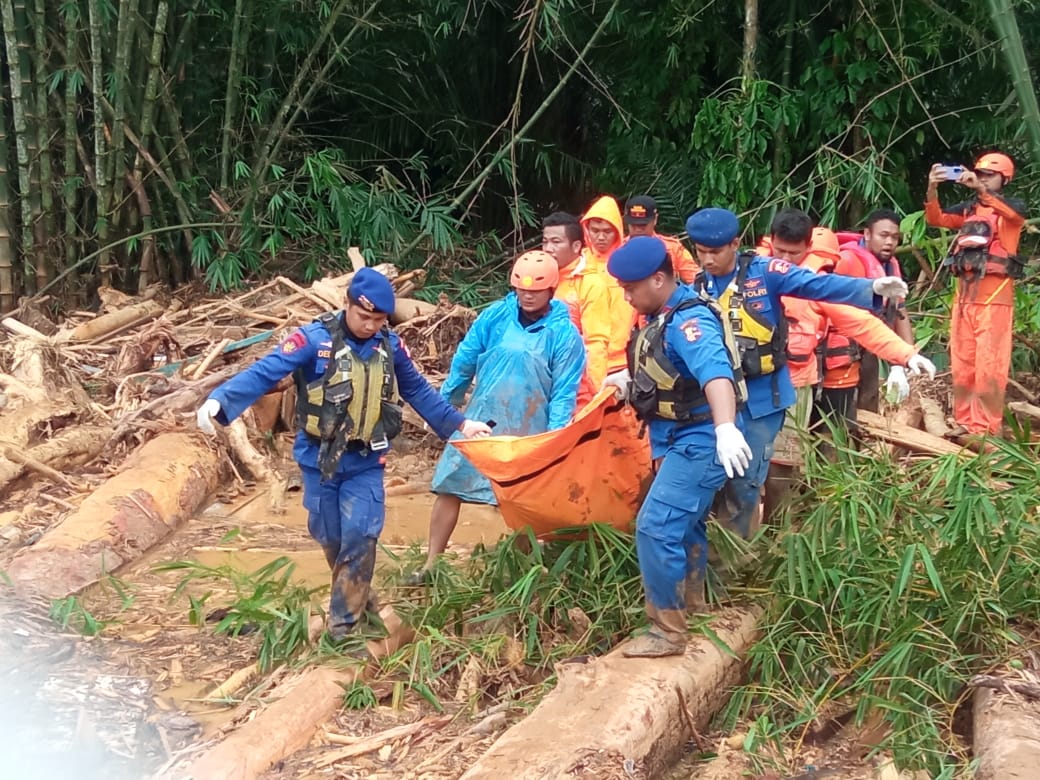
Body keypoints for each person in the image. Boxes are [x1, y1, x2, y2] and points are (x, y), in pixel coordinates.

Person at [195, 267, 493, 640]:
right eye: (363, 316)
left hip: (366, 460)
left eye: (378, 319)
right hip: (319, 459)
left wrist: (462, 425)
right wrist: (220, 402)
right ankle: (364, 605)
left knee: (360, 535)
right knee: (330, 536)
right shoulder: (312, 340)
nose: (370, 325)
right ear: (347, 305)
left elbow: (418, 390)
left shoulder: (390, 346)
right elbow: (265, 372)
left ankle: (343, 630)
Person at [686, 207, 910, 540]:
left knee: (772, 470)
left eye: (795, 252)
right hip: (725, 393)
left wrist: (901, 355)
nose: (706, 259)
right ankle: (721, 548)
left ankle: (771, 540)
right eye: (701, 251)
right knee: (721, 474)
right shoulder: (704, 284)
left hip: (781, 387)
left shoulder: (777, 274)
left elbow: (842, 304)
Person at [601, 236, 752, 658]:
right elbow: (671, 372)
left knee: (656, 525)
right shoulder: (662, 313)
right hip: (674, 435)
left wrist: (725, 428)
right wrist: (630, 384)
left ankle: (667, 631)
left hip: (701, 439)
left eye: (631, 288)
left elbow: (715, 374)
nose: (627, 297)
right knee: (688, 525)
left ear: (659, 278)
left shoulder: (690, 322)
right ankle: (693, 605)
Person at [759, 211, 936, 523]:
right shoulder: (749, 273)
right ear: (770, 242)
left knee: (786, 464)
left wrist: (903, 356)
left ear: (808, 248)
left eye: (793, 253)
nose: (785, 260)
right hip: (753, 382)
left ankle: (782, 535)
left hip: (798, 382)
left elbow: (858, 318)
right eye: (780, 251)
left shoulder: (812, 282)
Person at [419, 251, 586, 573]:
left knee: (522, 501)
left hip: (531, 428)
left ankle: (520, 570)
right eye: (521, 289)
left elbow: (564, 393)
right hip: (483, 419)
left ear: (551, 289)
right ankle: (430, 563)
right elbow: (465, 359)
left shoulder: (564, 335)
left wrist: (553, 442)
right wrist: (445, 405)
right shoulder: (496, 315)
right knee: (448, 486)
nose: (527, 295)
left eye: (535, 290)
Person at [925, 152, 1028, 436]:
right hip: (964, 297)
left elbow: (1015, 216)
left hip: (995, 298)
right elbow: (937, 218)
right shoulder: (969, 210)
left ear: (1003, 179)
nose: (982, 179)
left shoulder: (1011, 210)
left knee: (989, 366)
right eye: (979, 174)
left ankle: (984, 428)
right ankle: (964, 422)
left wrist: (981, 190)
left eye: (989, 175)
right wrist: (932, 187)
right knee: (963, 362)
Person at [822, 210, 915, 421]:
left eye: (894, 237)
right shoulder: (847, 261)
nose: (890, 242)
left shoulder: (890, 265)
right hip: (843, 347)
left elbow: (898, 310)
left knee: (868, 403)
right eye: (884, 235)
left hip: (872, 344)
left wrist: (905, 360)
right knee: (838, 413)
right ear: (867, 234)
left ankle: (862, 451)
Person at [541, 212, 612, 401]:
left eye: (556, 242)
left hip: (573, 382)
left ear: (576, 246)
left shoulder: (590, 284)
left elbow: (596, 342)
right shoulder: (537, 277)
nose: (548, 248)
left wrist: (598, 396)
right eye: (545, 241)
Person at [581, 195, 636, 372]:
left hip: (622, 359)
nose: (601, 237)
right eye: (595, 230)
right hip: (583, 357)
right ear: (586, 229)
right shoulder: (578, 262)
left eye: (607, 231)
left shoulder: (629, 262)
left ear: (618, 231)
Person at [623, 195, 700, 283]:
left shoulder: (672, 248)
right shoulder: (618, 248)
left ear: (655, 219)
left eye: (643, 225)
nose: (638, 229)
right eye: (633, 225)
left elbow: (695, 278)